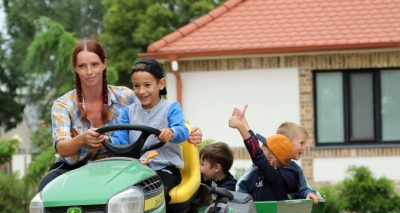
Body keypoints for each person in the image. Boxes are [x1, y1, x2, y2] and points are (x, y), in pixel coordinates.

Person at [38, 40, 202, 191]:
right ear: (75, 68)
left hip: (113, 167)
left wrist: (190, 132)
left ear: (104, 64)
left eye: (95, 64)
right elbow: (62, 148)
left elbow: (160, 115)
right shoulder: (63, 104)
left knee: (137, 190)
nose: (89, 71)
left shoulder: (127, 96)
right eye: (82, 66)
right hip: (74, 166)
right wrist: (83, 139)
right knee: (47, 187)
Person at [109, 58, 188, 202]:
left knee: (153, 192)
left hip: (165, 167)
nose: (141, 91)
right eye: (136, 86)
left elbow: (183, 131)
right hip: (136, 169)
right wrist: (108, 140)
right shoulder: (128, 112)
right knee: (116, 192)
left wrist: (171, 132)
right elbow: (121, 140)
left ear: (161, 84)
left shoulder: (171, 108)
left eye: (147, 85)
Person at [237, 120, 321, 204]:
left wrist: (308, 193)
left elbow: (256, 153)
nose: (305, 148)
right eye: (301, 143)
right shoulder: (259, 168)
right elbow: (242, 186)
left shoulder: (292, 171)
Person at [229, 105, 299, 201]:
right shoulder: (268, 171)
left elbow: (257, 154)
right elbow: (255, 146)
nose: (260, 148)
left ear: (271, 160)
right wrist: (242, 120)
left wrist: (240, 126)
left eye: (263, 148)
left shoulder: (279, 176)